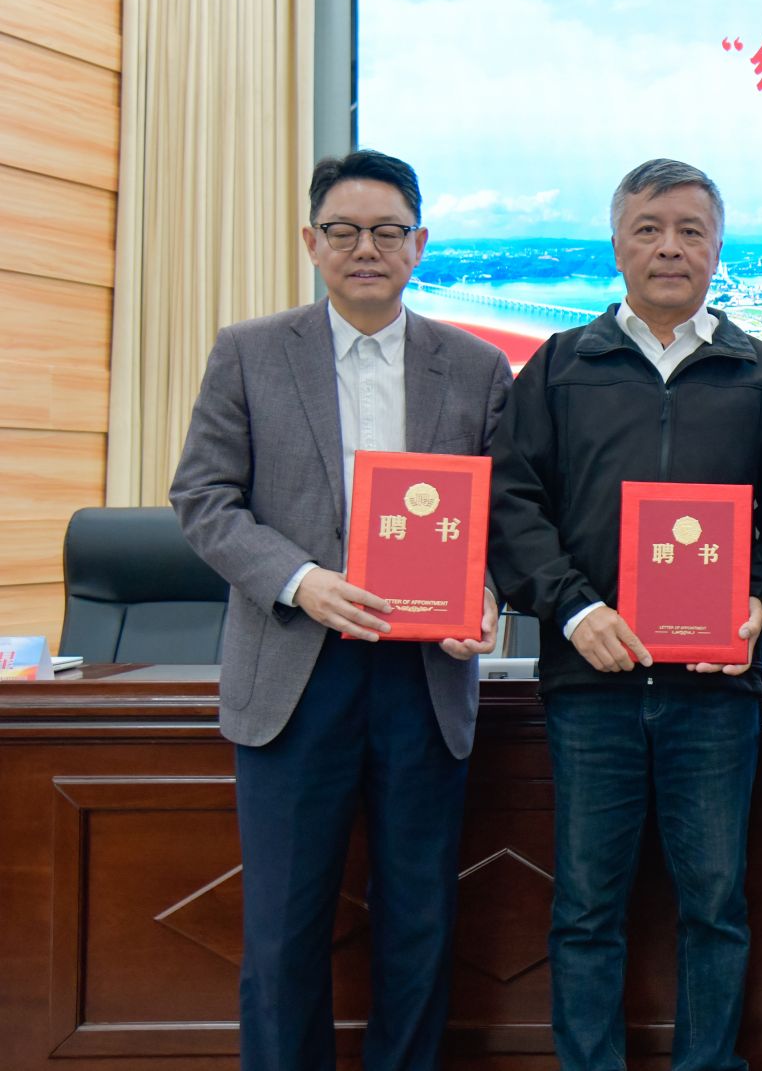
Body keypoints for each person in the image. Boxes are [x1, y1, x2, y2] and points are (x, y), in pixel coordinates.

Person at [171, 149, 513, 1070]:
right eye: (345, 231)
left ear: (419, 245)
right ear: (311, 241)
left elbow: (505, 515)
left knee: (419, 922)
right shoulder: (250, 351)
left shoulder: (477, 368)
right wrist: (300, 579)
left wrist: (485, 595)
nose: (367, 248)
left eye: (388, 231)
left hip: (424, 678)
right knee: (284, 929)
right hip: (295, 670)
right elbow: (203, 497)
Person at [487, 159, 762, 1071]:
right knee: (586, 906)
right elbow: (511, 502)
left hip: (714, 690)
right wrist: (572, 607)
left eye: (691, 230)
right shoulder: (560, 366)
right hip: (591, 683)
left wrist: (758, 599)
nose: (670, 247)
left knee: (715, 904)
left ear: (718, 248)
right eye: (649, 228)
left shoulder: (760, 373)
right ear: (617, 244)